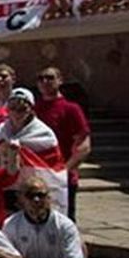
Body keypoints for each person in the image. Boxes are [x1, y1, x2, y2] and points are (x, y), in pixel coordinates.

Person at [0, 88, 64, 211]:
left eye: (22, 109)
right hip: (6, 187)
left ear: (30, 110)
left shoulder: (43, 133)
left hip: (33, 190)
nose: (17, 113)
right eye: (13, 108)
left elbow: (52, 164)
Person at [34, 67, 91, 222]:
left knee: (65, 224)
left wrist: (65, 170)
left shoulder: (71, 109)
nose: (45, 82)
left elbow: (84, 145)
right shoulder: (33, 109)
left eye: (50, 78)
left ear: (60, 80)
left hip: (62, 178)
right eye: (41, 78)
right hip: (37, 176)